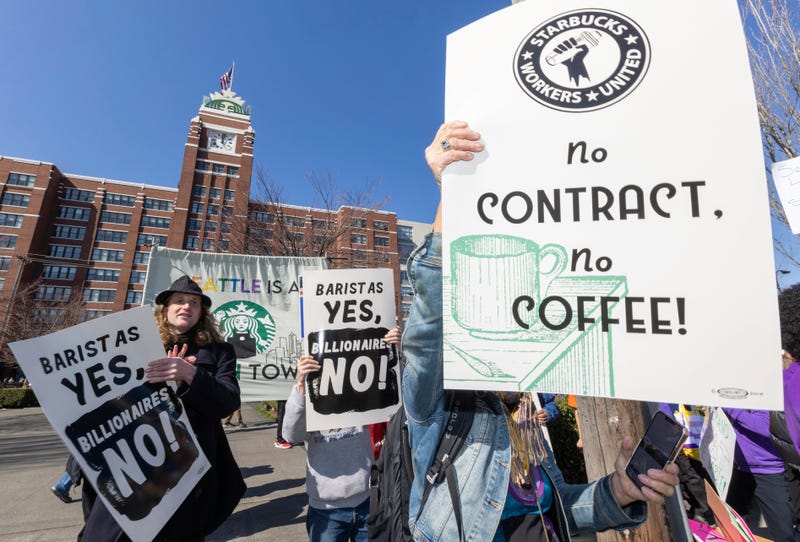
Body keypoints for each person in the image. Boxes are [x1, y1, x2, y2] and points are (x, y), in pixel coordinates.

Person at [400, 120, 681, 541]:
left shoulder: (524, 415)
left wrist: (617, 494)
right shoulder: (441, 406)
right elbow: (426, 330)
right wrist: (453, 194)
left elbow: (556, 509)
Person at [79, 275, 246, 541]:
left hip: (186, 470)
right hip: (134, 462)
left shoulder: (219, 351)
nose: (186, 307)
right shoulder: (133, 346)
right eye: (179, 301)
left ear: (201, 312)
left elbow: (227, 402)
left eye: (194, 302)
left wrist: (191, 376)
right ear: (165, 309)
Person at [283, 354, 373, 542]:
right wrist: (300, 384)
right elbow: (291, 435)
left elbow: (399, 399)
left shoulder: (363, 385)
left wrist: (395, 354)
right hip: (326, 510)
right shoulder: (309, 390)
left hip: (367, 500)